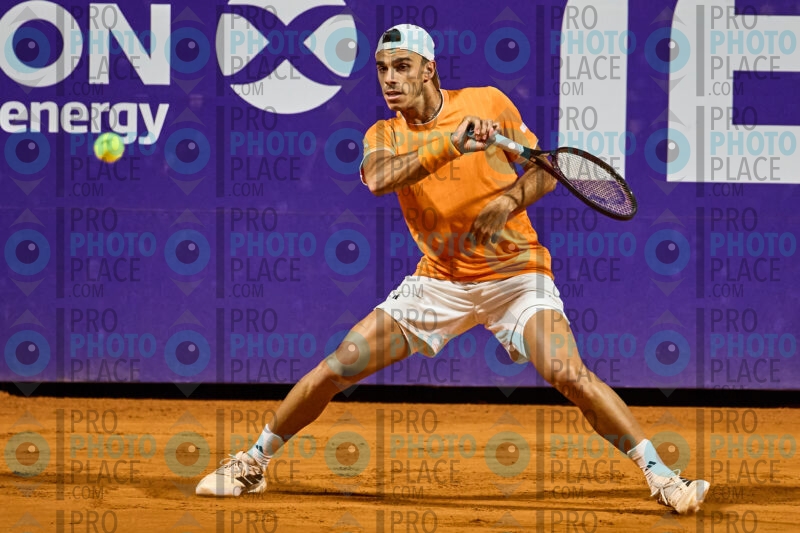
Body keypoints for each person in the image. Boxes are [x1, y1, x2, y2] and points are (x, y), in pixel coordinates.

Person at [196, 24, 710, 514]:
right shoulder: (384, 134)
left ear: (429, 70)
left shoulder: (487, 102)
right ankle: (253, 463)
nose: (390, 79)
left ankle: (662, 477)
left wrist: (508, 201)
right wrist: (451, 144)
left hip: (515, 276)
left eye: (402, 66)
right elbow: (379, 179)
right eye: (382, 69)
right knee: (338, 366)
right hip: (439, 281)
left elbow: (546, 171)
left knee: (568, 373)